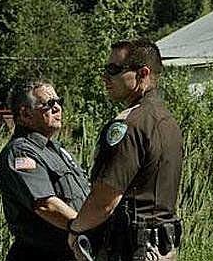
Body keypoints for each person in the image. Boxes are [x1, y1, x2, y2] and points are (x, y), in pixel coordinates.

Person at [67, 39, 184, 261]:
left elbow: (106, 199)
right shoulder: (167, 121)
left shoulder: (129, 124)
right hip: (163, 248)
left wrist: (76, 230)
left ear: (143, 74)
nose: (105, 77)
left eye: (114, 70)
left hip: (131, 249)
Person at [0, 80, 91, 260]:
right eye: (49, 104)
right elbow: (46, 205)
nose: (57, 108)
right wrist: (91, 228)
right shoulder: (21, 152)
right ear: (25, 114)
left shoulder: (54, 149)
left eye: (58, 102)